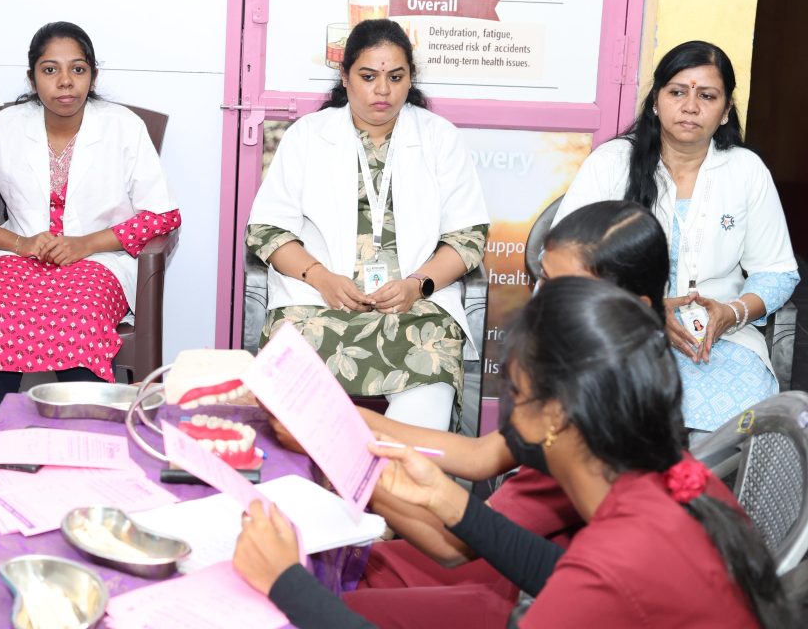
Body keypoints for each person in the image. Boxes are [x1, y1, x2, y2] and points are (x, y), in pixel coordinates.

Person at [235, 278, 795, 627]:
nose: (508, 416)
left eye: (518, 394)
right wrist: (454, 505)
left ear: (556, 416)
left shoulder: (615, 561)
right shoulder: (660, 476)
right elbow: (558, 570)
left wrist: (286, 584)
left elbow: (590, 579)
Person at [272, 200, 672, 627]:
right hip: (530, 566)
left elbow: (455, 545)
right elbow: (482, 456)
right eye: (542, 279)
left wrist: (334, 441)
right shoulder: (611, 380)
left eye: (565, 288)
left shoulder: (597, 419)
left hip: (526, 592)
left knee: (330, 593)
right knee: (348, 569)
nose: (541, 301)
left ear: (633, 304)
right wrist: (338, 413)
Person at [247, 19, 488, 430]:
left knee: (424, 399)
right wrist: (321, 278)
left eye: (395, 77)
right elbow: (267, 230)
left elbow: (467, 237)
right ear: (345, 77)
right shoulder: (308, 136)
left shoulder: (439, 138)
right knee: (299, 416)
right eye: (368, 76)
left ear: (411, 78)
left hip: (416, 308)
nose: (383, 90)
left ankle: (393, 466)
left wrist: (417, 285)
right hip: (316, 302)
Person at [554, 40, 800, 435]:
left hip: (721, 341)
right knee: (620, 413)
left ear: (726, 110)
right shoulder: (611, 164)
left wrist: (733, 313)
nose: (690, 106)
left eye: (707, 96)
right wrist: (644, 310)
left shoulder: (746, 170)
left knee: (741, 426)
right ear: (656, 100)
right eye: (677, 92)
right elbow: (563, 259)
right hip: (620, 330)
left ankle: (705, 480)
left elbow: (776, 272)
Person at [0, 22, 181, 420]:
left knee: (79, 315)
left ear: (93, 76)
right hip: (17, 256)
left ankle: (90, 436)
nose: (65, 81)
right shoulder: (4, 125)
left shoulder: (123, 126)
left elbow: (163, 216)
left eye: (78, 69)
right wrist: (21, 244)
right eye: (50, 70)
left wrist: (84, 244)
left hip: (97, 260)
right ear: (32, 77)